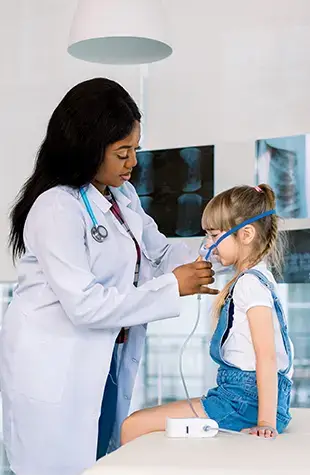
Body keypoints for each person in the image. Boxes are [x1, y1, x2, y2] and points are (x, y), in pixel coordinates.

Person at [0, 78, 218, 475]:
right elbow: (85, 305)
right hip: (56, 363)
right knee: (58, 464)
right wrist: (174, 287)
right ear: (86, 148)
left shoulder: (121, 196)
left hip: (104, 355)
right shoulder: (55, 208)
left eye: (135, 149)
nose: (133, 163)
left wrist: (219, 249)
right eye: (123, 153)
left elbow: (160, 252)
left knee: (101, 458)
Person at [121, 184, 294, 444]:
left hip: (243, 403)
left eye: (214, 235)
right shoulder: (261, 277)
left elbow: (266, 355)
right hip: (247, 399)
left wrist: (266, 422)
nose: (208, 245)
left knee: (132, 425)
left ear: (245, 234)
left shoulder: (249, 284)